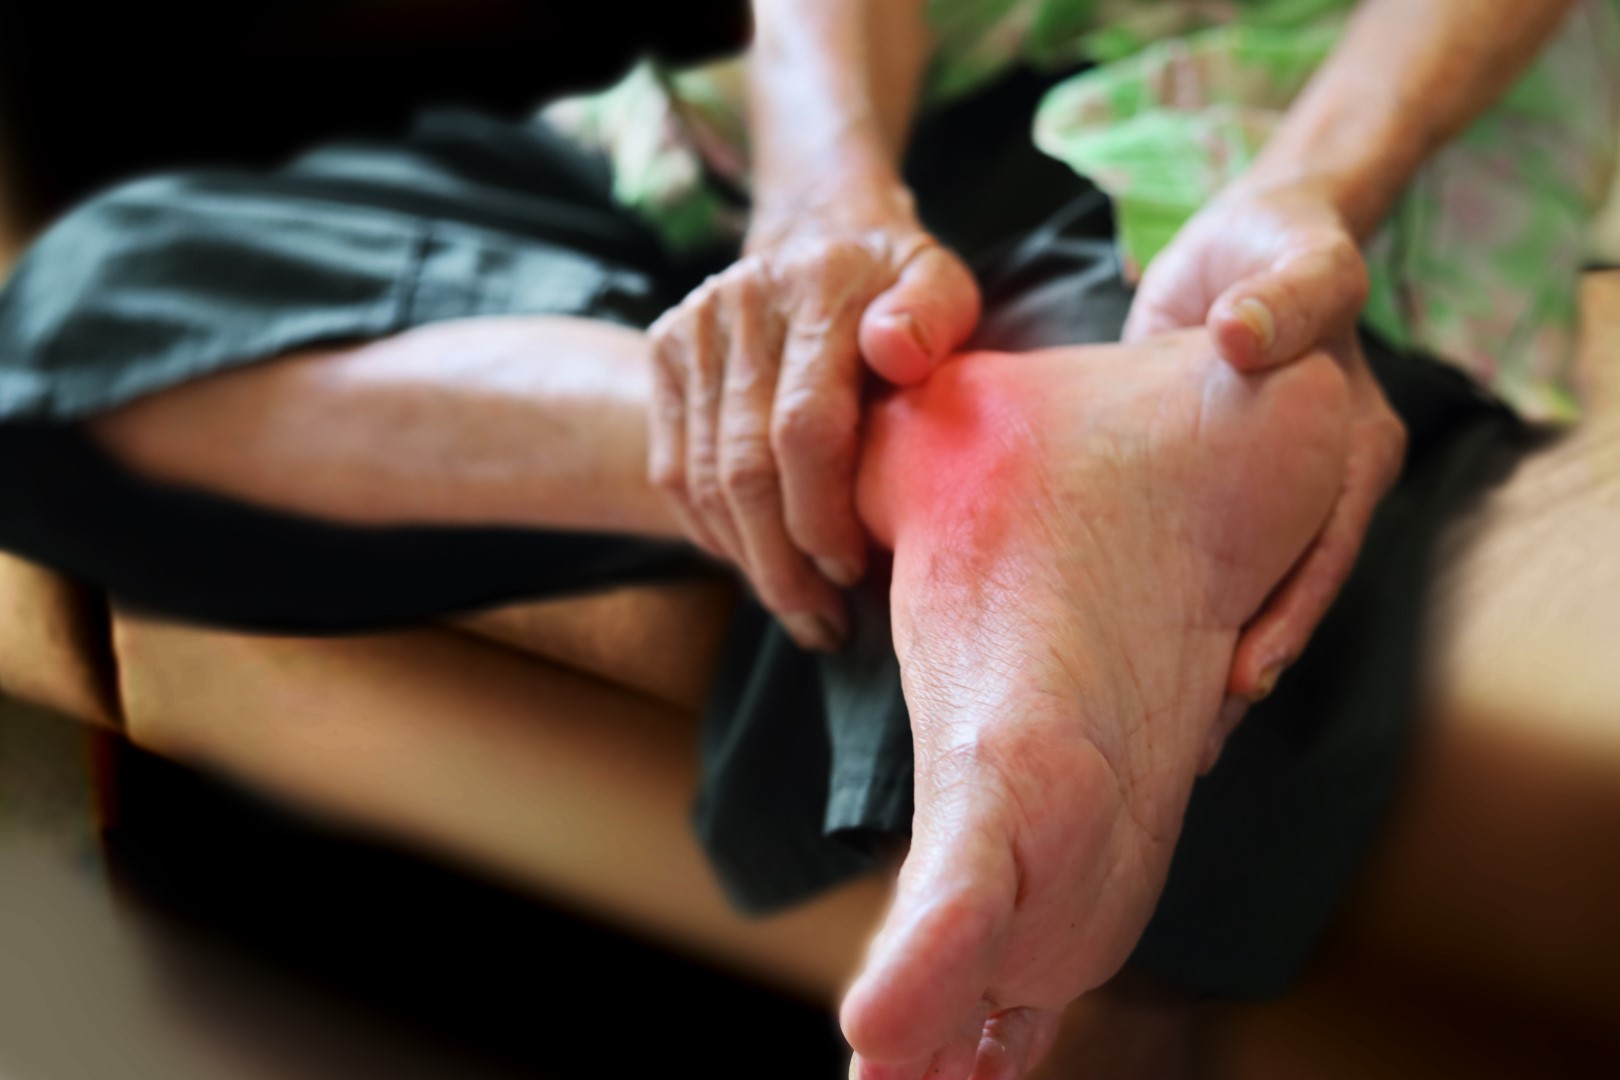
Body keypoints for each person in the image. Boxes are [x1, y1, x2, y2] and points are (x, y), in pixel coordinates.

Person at [0, 1, 1613, 1076]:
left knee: (1185, 510)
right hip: (820, 118)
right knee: (74, 338)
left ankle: (1032, 472)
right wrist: (821, 193)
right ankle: (943, 458)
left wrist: (1315, 183)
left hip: (1261, 112)